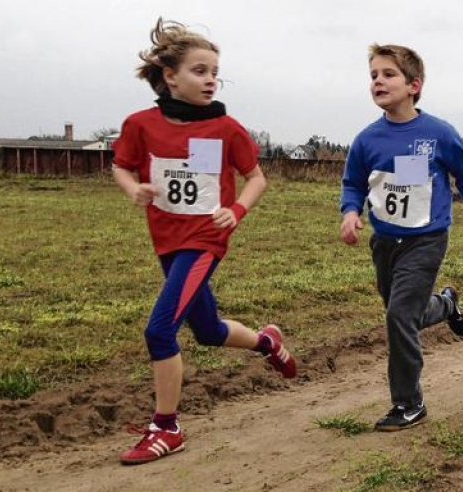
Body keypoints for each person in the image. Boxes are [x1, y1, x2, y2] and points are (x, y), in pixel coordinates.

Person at [111, 18, 297, 465]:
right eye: (200, 70)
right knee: (208, 331)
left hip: (205, 240)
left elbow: (256, 178)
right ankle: (267, 342)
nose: (211, 79)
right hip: (167, 241)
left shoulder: (226, 128)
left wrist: (237, 210)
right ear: (170, 76)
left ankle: (166, 427)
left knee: (159, 331)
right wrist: (132, 188)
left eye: (215, 72)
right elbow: (121, 166)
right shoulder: (140, 125)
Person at [339, 44, 463, 432]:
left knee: (399, 316)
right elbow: (353, 183)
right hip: (385, 242)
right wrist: (351, 212)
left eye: (388, 74)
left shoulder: (438, 133)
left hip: (426, 239)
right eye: (373, 75)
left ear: (414, 85)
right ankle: (446, 304)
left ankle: (409, 403)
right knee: (407, 314)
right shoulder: (367, 139)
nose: (378, 81)